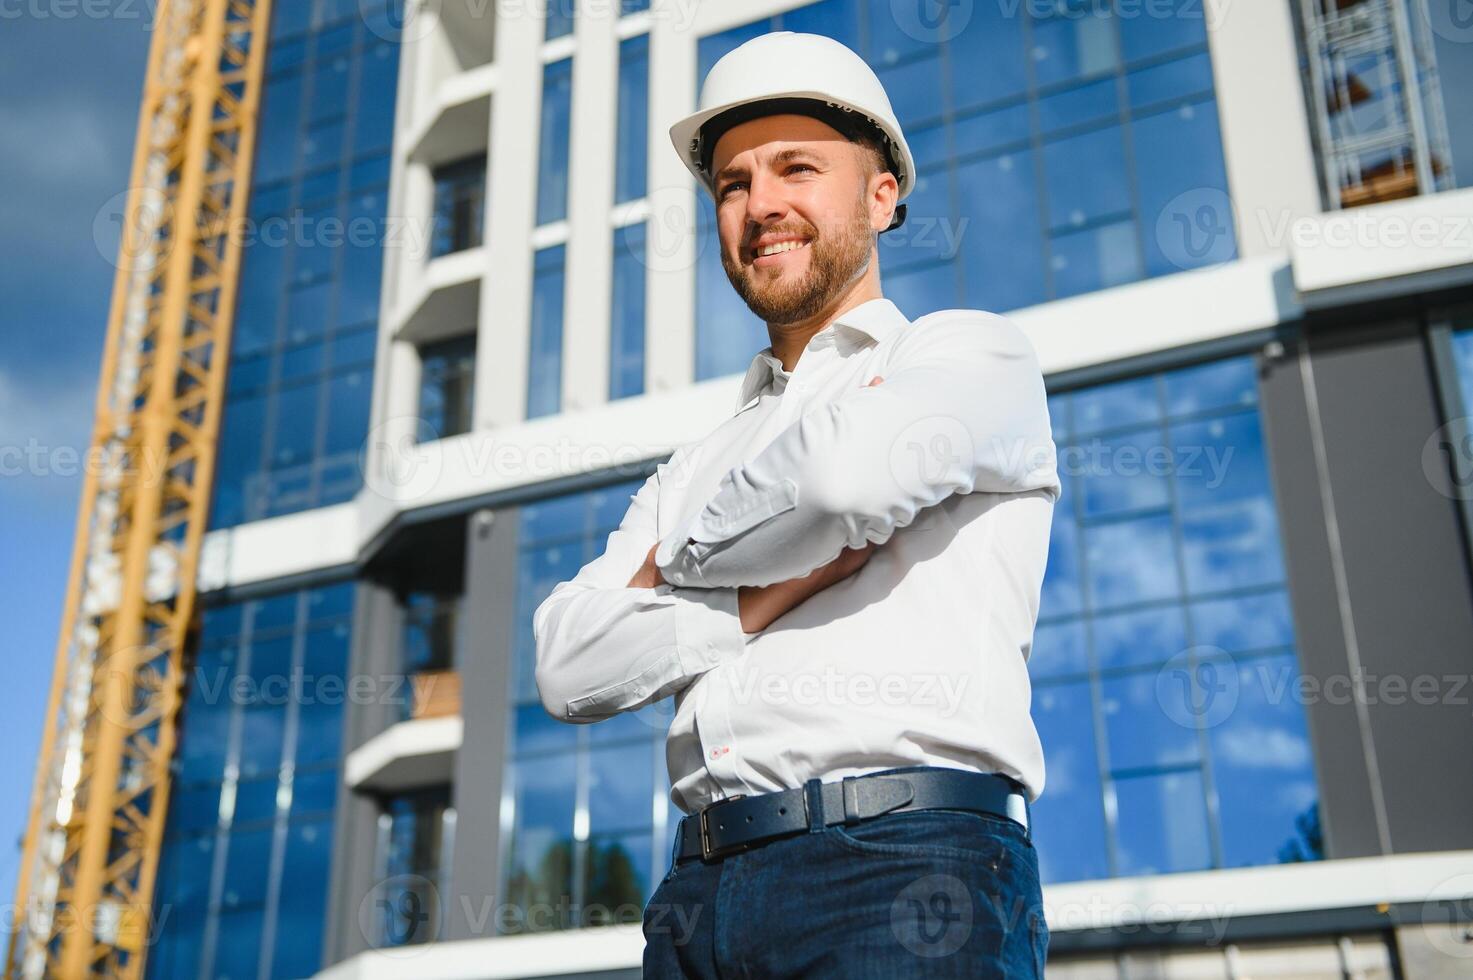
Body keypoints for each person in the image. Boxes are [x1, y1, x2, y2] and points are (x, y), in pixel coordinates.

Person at [533, 30, 1060, 978]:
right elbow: (567, 666)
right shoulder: (696, 459)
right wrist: (755, 597)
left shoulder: (968, 357)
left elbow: (840, 483)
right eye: (732, 184)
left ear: (881, 195)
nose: (759, 204)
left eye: (796, 168)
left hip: (905, 867)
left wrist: (672, 563)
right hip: (697, 894)